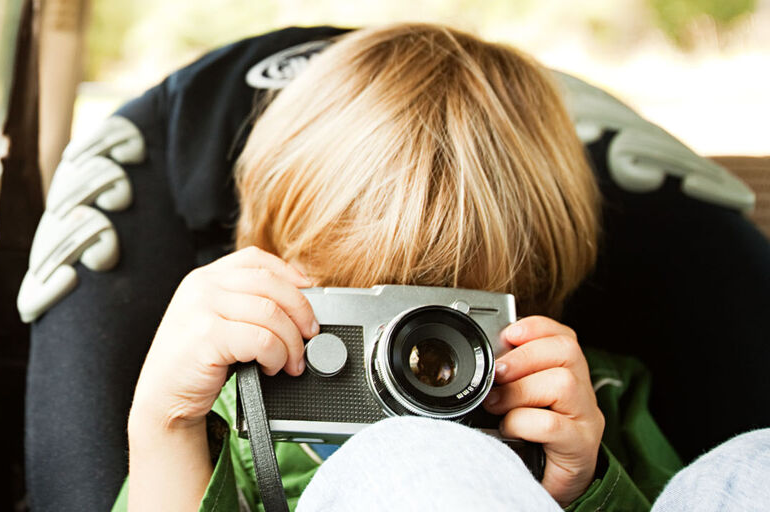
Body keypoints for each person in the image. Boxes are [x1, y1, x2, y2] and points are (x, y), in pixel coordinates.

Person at [112, 23, 686, 511]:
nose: (414, 370)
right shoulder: (237, 409)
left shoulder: (592, 401)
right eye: (355, 317)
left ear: (530, 301)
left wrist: (574, 487)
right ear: (272, 269)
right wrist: (166, 427)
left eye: (453, 333)